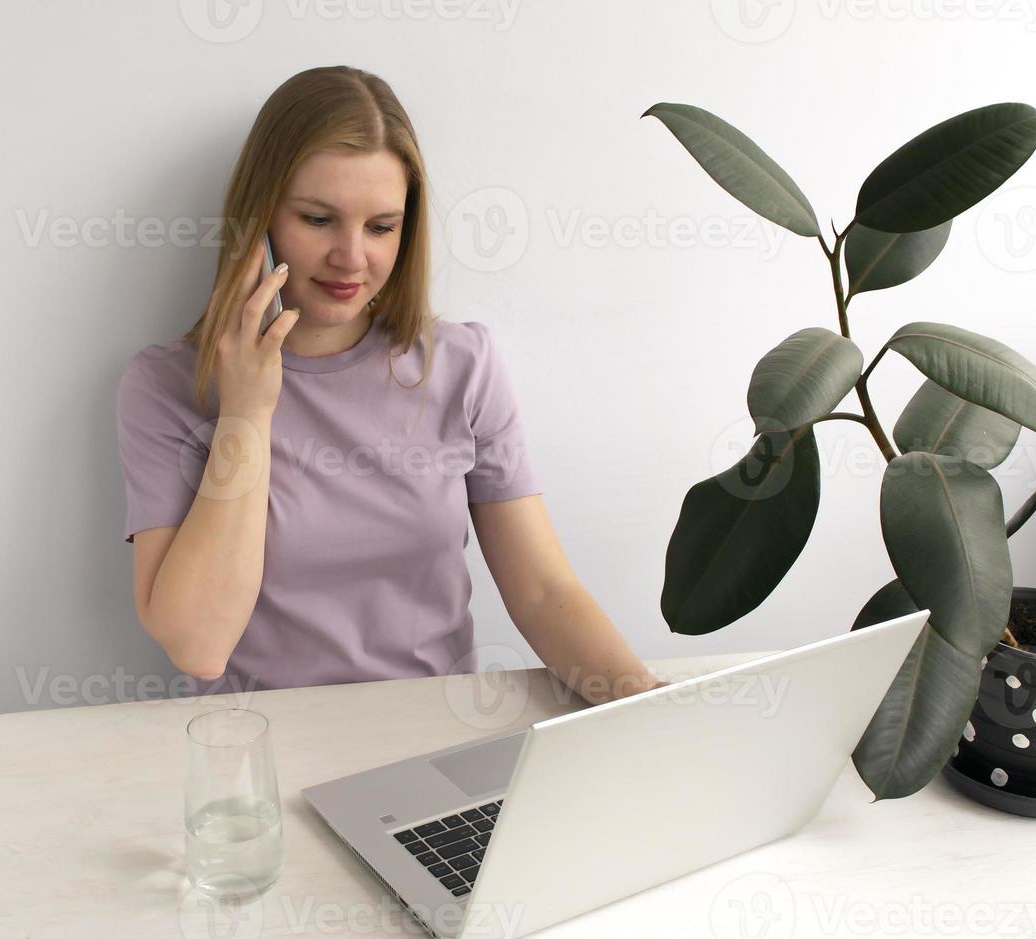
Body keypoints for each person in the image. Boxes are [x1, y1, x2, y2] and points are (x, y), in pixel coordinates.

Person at [116, 66, 664, 704]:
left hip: (429, 742)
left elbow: (544, 594)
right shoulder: (164, 386)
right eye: (319, 219)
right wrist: (245, 411)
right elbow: (198, 645)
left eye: (381, 227)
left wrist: (645, 704)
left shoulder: (463, 365)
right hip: (254, 753)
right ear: (258, 220)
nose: (352, 257)